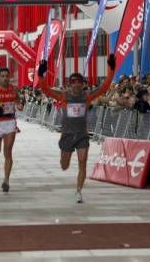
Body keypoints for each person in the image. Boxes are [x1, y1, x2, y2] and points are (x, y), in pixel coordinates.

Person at [36, 54, 115, 203]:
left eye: (79, 83)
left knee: (83, 162)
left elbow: (104, 87)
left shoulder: (87, 96)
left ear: (82, 84)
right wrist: (41, 73)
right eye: (74, 83)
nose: (77, 85)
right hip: (67, 135)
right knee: (64, 166)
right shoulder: (63, 95)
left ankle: (79, 191)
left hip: (82, 135)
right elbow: (45, 89)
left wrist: (111, 68)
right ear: (70, 84)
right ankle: (64, 161)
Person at [0, 67, 24, 193]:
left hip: (10, 122)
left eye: (7, 76)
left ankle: (6, 180)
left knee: (8, 152)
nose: (5, 78)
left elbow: (19, 102)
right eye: (2, 76)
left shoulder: (14, 89)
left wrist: (19, 105)